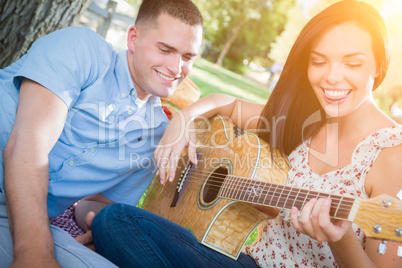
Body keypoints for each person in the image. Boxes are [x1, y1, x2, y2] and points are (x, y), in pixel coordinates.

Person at [91, 0, 402, 267]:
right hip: (246, 262)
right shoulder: (306, 119)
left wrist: (341, 239)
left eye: (353, 63)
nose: (332, 77)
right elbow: (225, 103)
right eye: (318, 61)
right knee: (116, 220)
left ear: (379, 66)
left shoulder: (393, 153)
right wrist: (182, 120)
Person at [0, 0, 203, 266]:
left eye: (187, 57)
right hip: (28, 225)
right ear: (133, 38)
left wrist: (100, 226)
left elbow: (96, 203)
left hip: (20, 218)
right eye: (165, 49)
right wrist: (35, 254)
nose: (177, 69)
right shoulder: (81, 48)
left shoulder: (156, 136)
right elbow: (27, 145)